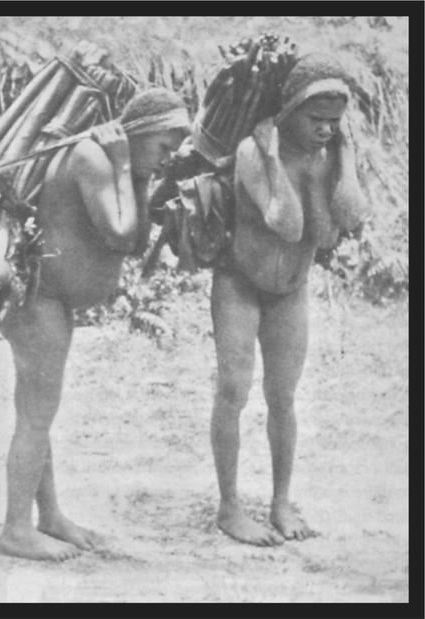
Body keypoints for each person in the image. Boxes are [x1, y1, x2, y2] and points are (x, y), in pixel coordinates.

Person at [0, 89, 191, 560]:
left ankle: (48, 515)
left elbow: (136, 233)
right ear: (138, 134)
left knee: (38, 413)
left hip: (53, 300)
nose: (167, 159)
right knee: (35, 415)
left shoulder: (121, 166)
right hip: (36, 295)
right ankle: (15, 529)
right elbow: (119, 234)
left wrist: (138, 172)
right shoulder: (93, 158)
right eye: (163, 147)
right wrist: (127, 167)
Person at [209, 54, 366, 546]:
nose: (324, 131)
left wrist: (343, 161)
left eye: (332, 124)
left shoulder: (328, 156)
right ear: (291, 110)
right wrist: (277, 161)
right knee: (233, 390)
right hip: (240, 282)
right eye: (315, 120)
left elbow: (336, 227)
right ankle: (229, 507)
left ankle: (280, 501)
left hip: (289, 289)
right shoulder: (255, 152)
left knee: (283, 396)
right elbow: (288, 223)